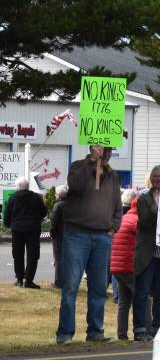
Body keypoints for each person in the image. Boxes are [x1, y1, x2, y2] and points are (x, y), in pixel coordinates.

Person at [56, 145, 123, 345]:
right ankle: (65, 333)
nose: (108, 153)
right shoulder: (78, 167)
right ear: (94, 148)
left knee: (99, 288)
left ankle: (96, 331)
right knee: (71, 286)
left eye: (111, 150)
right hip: (77, 233)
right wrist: (91, 163)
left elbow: (117, 205)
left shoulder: (112, 176)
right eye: (105, 149)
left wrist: (114, 227)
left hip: (102, 236)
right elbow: (75, 186)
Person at [3, 177, 48, 289]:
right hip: (33, 229)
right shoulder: (36, 197)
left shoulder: (13, 198)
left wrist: (9, 225)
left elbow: (7, 214)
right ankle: (28, 280)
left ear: (18, 187)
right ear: (28, 186)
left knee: (17, 254)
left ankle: (19, 279)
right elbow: (43, 212)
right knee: (33, 255)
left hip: (17, 229)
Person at [135, 166, 160, 338]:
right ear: (151, 179)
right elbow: (143, 222)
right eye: (155, 177)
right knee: (142, 291)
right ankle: (140, 328)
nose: (158, 179)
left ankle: (157, 327)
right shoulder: (144, 198)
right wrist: (156, 205)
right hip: (148, 254)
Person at [110, 194, 140, 340]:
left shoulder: (124, 218)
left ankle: (121, 334)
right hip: (129, 265)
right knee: (142, 298)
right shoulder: (137, 221)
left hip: (117, 266)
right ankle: (142, 331)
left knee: (124, 301)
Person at [50, 185, 68, 288]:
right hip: (70, 234)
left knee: (58, 258)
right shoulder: (72, 204)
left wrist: (52, 233)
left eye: (56, 194)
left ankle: (58, 282)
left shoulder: (58, 205)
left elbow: (54, 221)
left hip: (59, 235)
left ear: (59, 195)